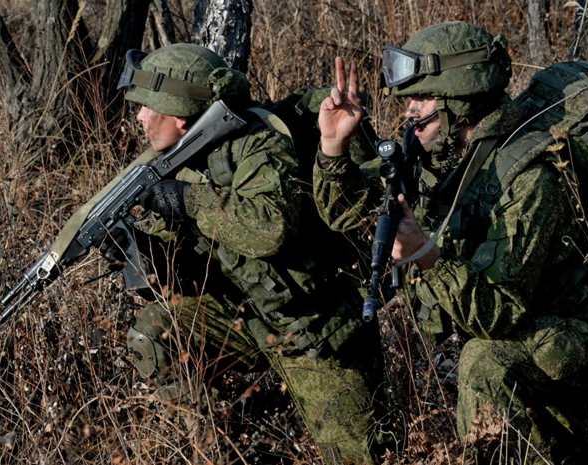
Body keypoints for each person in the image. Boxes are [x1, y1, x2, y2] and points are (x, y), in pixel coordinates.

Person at [313, 21, 588, 464]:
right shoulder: (441, 153)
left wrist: (426, 256)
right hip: (535, 319)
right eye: (408, 98)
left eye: (421, 98)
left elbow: (499, 312)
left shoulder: (531, 175)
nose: (409, 111)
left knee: (484, 364)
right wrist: (333, 149)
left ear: (461, 96)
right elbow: (347, 214)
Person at [106, 43, 394, 464]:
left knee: (362, 456)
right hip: (249, 316)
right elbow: (186, 258)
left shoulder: (260, 144)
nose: (139, 117)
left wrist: (188, 201)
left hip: (313, 329)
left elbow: (270, 228)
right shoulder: (182, 159)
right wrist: (136, 251)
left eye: (148, 108)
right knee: (155, 335)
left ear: (180, 116)